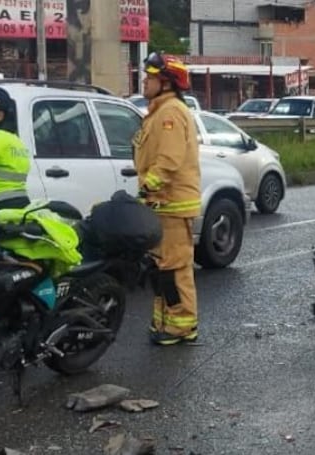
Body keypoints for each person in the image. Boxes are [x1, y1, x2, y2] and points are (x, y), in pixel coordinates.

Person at [133, 52, 202, 346]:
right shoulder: (160, 111)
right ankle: (167, 322)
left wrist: (148, 185)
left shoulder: (170, 112)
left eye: (150, 78)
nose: (144, 82)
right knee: (163, 268)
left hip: (171, 203)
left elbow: (170, 160)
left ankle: (182, 327)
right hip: (163, 203)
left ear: (166, 83)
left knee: (174, 269)